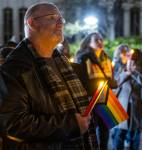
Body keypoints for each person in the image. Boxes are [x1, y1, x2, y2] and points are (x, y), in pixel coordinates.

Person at [0, 2, 94, 150]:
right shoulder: (15, 68)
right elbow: (13, 123)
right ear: (32, 23)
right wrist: (70, 125)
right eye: (52, 18)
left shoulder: (63, 63)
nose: (60, 24)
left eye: (61, 20)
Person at [75, 32, 116, 150]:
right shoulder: (83, 58)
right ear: (88, 42)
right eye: (96, 40)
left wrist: (113, 83)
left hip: (106, 99)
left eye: (101, 39)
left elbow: (110, 78)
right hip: (91, 100)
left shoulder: (107, 58)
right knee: (90, 131)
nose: (100, 42)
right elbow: (80, 80)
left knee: (105, 131)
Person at [112, 48, 142, 150]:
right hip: (122, 104)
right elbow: (117, 83)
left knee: (134, 134)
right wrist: (127, 73)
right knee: (120, 133)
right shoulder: (123, 68)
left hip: (137, 105)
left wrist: (134, 72)